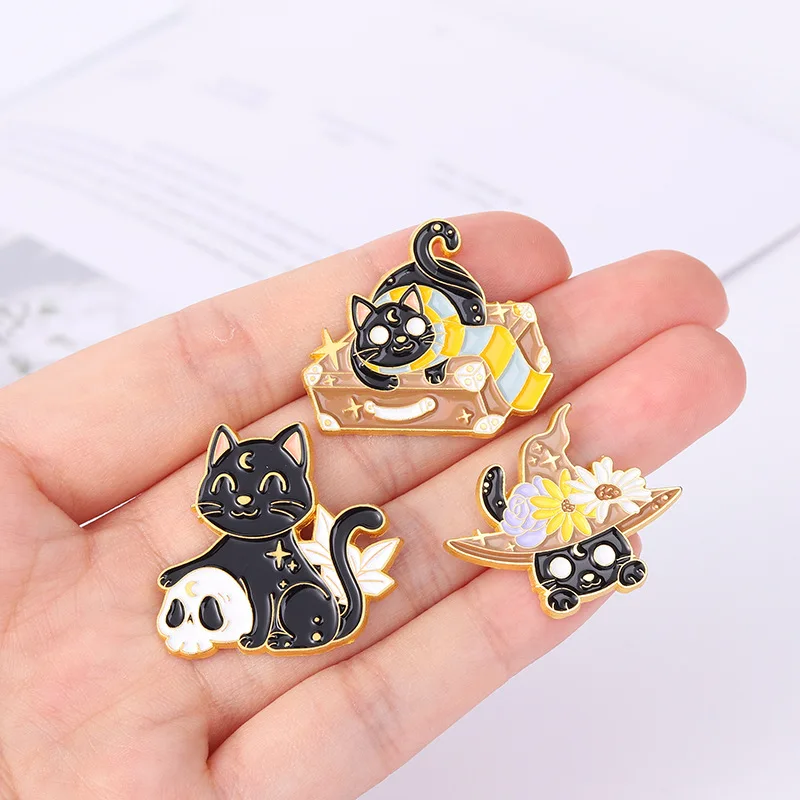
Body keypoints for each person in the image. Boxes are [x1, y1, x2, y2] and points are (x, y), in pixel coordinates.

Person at [0, 212, 743, 798]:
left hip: (307, 597)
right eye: (230, 491)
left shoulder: (435, 355)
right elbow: (230, 550)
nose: (243, 505)